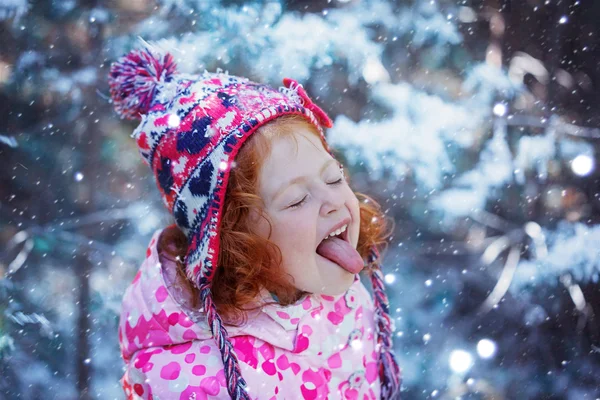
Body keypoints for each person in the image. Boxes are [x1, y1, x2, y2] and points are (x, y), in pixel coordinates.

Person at [109, 39, 402, 399]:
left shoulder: (339, 299)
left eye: (333, 177)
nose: (331, 201)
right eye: (296, 200)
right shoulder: (197, 384)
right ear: (232, 243)